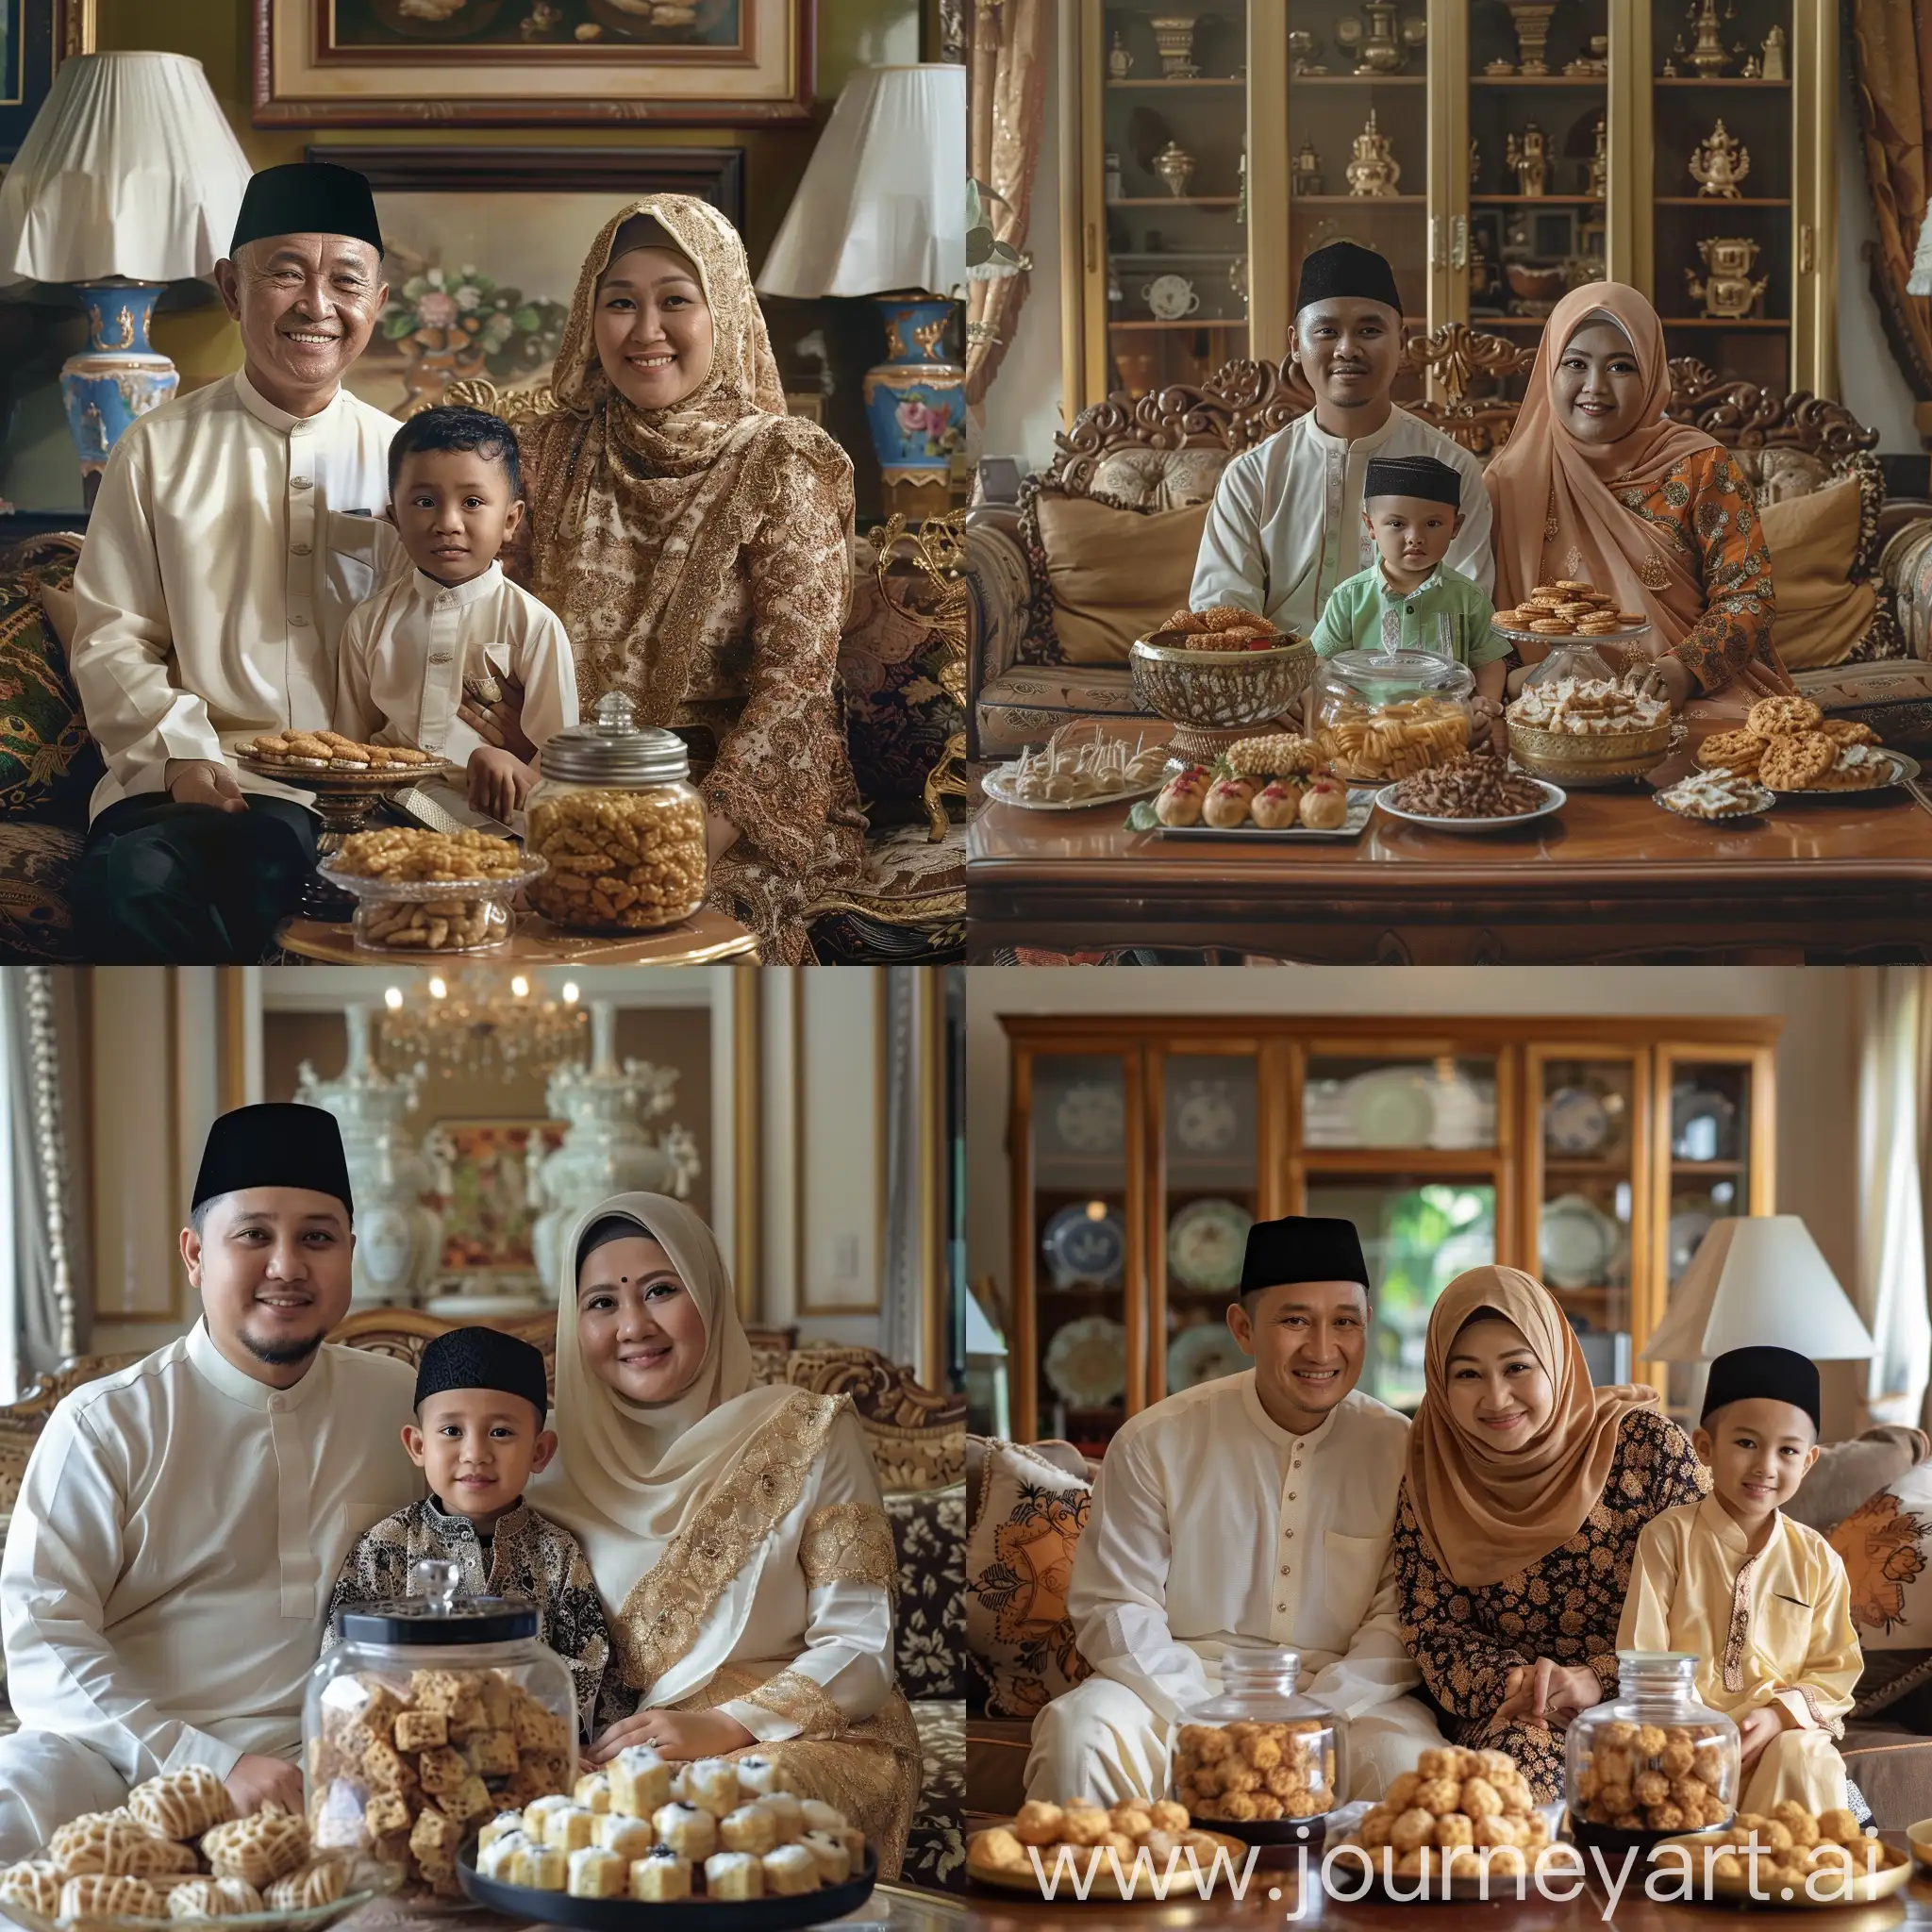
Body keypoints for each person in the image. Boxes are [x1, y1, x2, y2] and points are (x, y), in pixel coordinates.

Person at [0, 1104, 421, 1857]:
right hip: (125, 1762)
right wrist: (207, 1764)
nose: (287, 1265)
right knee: (22, 1784)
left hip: (340, 1775)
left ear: (350, 1254)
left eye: (317, 1238)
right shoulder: (107, 1423)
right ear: (195, 1255)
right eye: (254, 1235)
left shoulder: (405, 1408)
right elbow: (43, 1639)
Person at [501, 198, 865, 962]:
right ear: (588, 315)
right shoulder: (549, 452)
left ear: (723, 309)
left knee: (666, 934)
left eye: (675, 300)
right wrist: (517, 769)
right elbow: (491, 620)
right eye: (620, 303)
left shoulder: (781, 463)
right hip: (556, 785)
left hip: (721, 803)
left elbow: (795, 685)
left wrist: (688, 837)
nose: (645, 332)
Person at [528, 1194, 919, 1876]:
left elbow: (858, 1645)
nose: (634, 1325)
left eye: (660, 1290)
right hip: (614, 1751)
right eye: (601, 1304)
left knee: (689, 1824)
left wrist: (723, 1726)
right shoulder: (539, 1459)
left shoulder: (812, 1432)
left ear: (708, 1293)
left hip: (807, 1738)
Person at [67, 161, 398, 961]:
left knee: (266, 860)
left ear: (377, 304)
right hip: (189, 777)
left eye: (346, 281)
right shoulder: (156, 449)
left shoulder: (406, 464)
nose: (317, 306)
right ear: (231, 289)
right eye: (285, 274)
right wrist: (182, 756)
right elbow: (112, 636)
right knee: (133, 876)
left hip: (356, 791)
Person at [1026, 1217, 1444, 1808]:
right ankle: (1104, 1900)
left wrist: (1317, 1713)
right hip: (1177, 1683)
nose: (1323, 1349)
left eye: (1344, 1321)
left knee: (1414, 1768)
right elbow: (1115, 1605)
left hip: (1343, 1692)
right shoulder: (1155, 1440)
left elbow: (1400, 1616)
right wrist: (1207, 1717)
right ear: (1243, 1329)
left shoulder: (1402, 1450)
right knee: (1080, 1735)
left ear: (1367, 1325)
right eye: (1295, 1320)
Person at [1391, 1266, 1709, 1802]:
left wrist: (1601, 1679)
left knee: (1688, 1768)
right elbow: (1432, 1626)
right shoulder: (1433, 1471)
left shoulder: (1648, 1448)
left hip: (1649, 1699)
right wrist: (1521, 1685)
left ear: (1557, 1361)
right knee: (1515, 1774)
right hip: (1513, 1713)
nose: (1496, 1398)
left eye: (1517, 1367)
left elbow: (1708, 1603)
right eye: (1467, 1374)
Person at [1484, 283, 1790, 710]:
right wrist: (1523, 680)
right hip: (1545, 704)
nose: (1595, 387)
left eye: (1621, 367)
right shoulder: (1509, 481)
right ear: (1547, 371)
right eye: (1575, 363)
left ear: (1651, 373)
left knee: (1729, 753)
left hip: (1690, 695)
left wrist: (1684, 670)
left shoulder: (1700, 464)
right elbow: (1472, 611)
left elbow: (1747, 595)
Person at [1190, 242, 1493, 636]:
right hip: (1281, 686)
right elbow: (1223, 618)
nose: (1347, 349)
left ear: (1402, 342)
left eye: (1369, 330)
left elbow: (1469, 618)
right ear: (1296, 344)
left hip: (1413, 690)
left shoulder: (1452, 469)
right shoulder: (1253, 477)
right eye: (1327, 331)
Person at [325, 1326, 611, 1740]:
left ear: (539, 1452)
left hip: (526, 1748)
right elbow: (343, 1657)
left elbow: (589, 1664)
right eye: (452, 1431)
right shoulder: (385, 1546)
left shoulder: (558, 1553)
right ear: (418, 1446)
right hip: (413, 1748)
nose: (475, 1453)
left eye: (501, 1432)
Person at [1617, 1345, 1861, 1814]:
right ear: (1704, 1447)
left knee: (1805, 1753)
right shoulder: (1669, 1536)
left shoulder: (1817, 1560)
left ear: (1808, 1461)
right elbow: (1644, 1653)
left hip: (1774, 1738)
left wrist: (1777, 1718)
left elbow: (1835, 1669)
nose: (1765, 1466)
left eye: (1787, 1450)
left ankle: (1792, 1876)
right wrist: (1697, 1729)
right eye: (1746, 1443)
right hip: (1687, 1737)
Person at [333, 407, 578, 820]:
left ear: (510, 519)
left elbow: (560, 762)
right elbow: (350, 745)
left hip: (493, 831)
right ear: (394, 516)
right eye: (425, 501)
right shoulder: (369, 622)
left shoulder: (532, 627)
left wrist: (512, 768)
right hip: (384, 818)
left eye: (472, 502)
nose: (447, 523)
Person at [1307, 453, 1510, 746]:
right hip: (1368, 734)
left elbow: (1490, 661)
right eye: (1397, 524)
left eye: (1432, 524)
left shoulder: (1469, 598)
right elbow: (1321, 660)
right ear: (1371, 526)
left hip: (1446, 731)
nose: (1415, 537)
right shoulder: (1349, 598)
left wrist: (1485, 704)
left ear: (1455, 527)